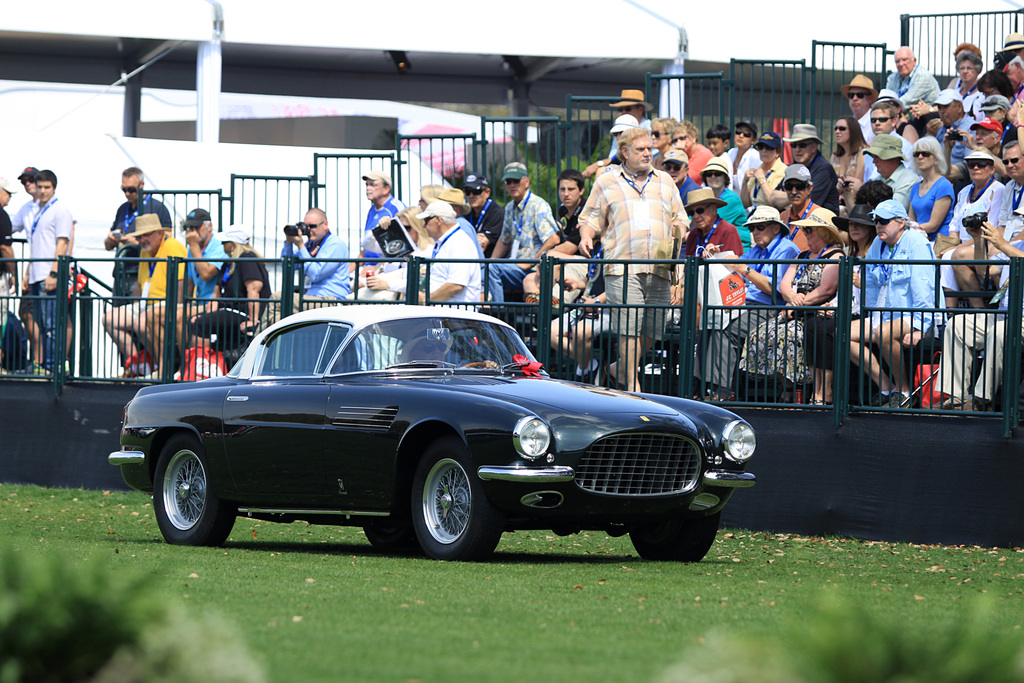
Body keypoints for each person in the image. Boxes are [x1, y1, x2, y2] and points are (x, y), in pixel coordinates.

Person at [577, 126, 686, 392]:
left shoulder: (665, 180)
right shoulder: (606, 180)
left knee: (652, 331)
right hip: (623, 268)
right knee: (628, 328)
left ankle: (617, 369)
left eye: (650, 148)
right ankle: (633, 387)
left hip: (660, 267)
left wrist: (678, 232)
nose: (648, 153)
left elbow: (681, 217)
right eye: (641, 149)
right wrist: (585, 236)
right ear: (624, 152)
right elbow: (588, 217)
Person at [739, 208, 844, 404]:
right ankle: (785, 387)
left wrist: (799, 303)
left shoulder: (835, 256)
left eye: (810, 230)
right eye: (805, 230)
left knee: (790, 337)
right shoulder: (801, 256)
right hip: (793, 310)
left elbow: (826, 289)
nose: (806, 234)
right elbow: (784, 284)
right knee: (763, 333)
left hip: (816, 312)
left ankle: (798, 391)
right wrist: (792, 297)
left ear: (824, 232)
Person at [696, 205, 800, 401]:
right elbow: (736, 264)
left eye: (760, 227)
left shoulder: (787, 249)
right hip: (744, 304)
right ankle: (698, 387)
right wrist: (717, 254)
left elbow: (772, 290)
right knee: (709, 320)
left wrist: (744, 269)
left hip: (769, 307)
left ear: (775, 228)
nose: (754, 232)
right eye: (752, 228)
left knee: (726, 328)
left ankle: (725, 392)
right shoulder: (756, 250)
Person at [850, 199, 936, 408]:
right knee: (844, 332)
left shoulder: (916, 242)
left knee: (884, 332)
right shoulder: (878, 245)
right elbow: (870, 284)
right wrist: (870, 314)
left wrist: (920, 327)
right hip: (884, 314)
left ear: (900, 222)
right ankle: (886, 387)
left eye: (884, 220)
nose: (878, 225)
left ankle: (905, 391)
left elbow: (923, 288)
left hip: (914, 315)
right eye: (876, 220)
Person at [936, 219, 1024, 410]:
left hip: (1021, 320)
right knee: (958, 324)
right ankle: (955, 397)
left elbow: (1019, 257)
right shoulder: (1015, 246)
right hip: (1005, 315)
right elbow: (985, 270)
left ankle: (981, 399)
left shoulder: (1011, 248)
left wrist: (1003, 245)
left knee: (1001, 330)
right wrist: (977, 240)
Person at [807, 204, 878, 405]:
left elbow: (879, 292)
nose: (854, 228)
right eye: (851, 224)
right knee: (813, 323)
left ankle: (827, 391)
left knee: (828, 328)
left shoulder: (876, 253)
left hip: (866, 311)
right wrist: (832, 305)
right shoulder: (849, 254)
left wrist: (860, 284)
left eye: (859, 225)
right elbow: (844, 292)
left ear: (870, 228)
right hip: (847, 308)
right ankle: (817, 388)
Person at [101, 214, 186, 376]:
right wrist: (136, 304)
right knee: (110, 319)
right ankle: (138, 365)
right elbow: (141, 284)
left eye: (147, 235)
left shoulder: (173, 247)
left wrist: (177, 308)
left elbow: (182, 282)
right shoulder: (145, 251)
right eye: (140, 236)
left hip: (166, 303)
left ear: (160, 233)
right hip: (146, 304)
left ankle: (163, 367)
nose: (143, 239)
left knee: (142, 322)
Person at [146, 208, 226, 376]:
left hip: (214, 305)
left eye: (196, 227)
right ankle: (163, 368)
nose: (192, 232)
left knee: (180, 317)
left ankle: (187, 367)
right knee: (152, 315)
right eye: (190, 228)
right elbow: (189, 283)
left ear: (209, 226)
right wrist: (181, 304)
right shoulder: (192, 249)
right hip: (198, 303)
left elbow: (206, 273)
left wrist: (194, 246)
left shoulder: (217, 246)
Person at [10, 170, 72, 374]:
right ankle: (44, 366)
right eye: (41, 187)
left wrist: (54, 273)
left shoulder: (60, 210)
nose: (43, 191)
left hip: (49, 274)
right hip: (37, 274)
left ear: (54, 188)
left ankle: (53, 367)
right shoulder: (35, 209)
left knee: (52, 324)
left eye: (47, 187)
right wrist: (28, 274)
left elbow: (62, 243)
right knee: (41, 323)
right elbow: (34, 243)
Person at [187, 225, 271, 356]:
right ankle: (205, 363)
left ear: (233, 245)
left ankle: (200, 365)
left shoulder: (247, 258)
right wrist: (207, 315)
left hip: (243, 313)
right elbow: (216, 294)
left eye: (224, 243)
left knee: (199, 324)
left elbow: (253, 289)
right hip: (228, 310)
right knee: (198, 320)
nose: (221, 245)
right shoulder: (228, 263)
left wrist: (253, 320)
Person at [489, 162, 560, 301]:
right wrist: (488, 262)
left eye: (516, 181)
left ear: (526, 182)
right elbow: (504, 240)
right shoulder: (510, 207)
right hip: (515, 266)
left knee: (492, 270)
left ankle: (497, 312)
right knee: (486, 269)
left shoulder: (538, 205)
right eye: (508, 182)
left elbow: (553, 239)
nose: (512, 185)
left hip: (534, 269)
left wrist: (531, 262)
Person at [523, 169, 591, 306]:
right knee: (529, 280)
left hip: (586, 261)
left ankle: (548, 305)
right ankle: (537, 317)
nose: (566, 194)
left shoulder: (586, 211)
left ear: (581, 190)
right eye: (562, 189)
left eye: (571, 189)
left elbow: (571, 248)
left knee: (549, 256)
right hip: (566, 260)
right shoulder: (563, 210)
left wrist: (542, 256)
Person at [102, 167, 172, 302]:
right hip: (121, 272)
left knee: (136, 316)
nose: (127, 193)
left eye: (132, 190)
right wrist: (111, 240)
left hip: (142, 273)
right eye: (124, 189)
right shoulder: (123, 209)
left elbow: (167, 241)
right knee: (118, 316)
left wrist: (135, 242)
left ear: (142, 185)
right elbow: (107, 246)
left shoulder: (157, 208)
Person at [277, 207, 351, 318]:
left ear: (325, 224)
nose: (308, 230)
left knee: (277, 299)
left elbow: (315, 274)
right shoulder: (310, 245)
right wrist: (289, 242)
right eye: (306, 226)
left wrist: (301, 246)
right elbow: (286, 264)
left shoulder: (335, 244)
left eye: (312, 226)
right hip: (312, 298)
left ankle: (260, 335)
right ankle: (276, 336)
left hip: (329, 300)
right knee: (280, 315)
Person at [361, 206, 433, 301]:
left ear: (418, 228)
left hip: (410, 304)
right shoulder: (394, 245)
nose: (403, 232)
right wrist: (378, 229)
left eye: (407, 228)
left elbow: (418, 282)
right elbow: (366, 244)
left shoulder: (428, 251)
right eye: (400, 227)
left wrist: (387, 284)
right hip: (388, 301)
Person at [416, 201, 482, 304]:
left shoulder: (459, 243)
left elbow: (455, 285)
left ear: (438, 219)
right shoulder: (447, 241)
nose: (424, 226)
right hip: (444, 310)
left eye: (426, 220)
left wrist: (425, 300)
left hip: (455, 314)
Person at [907, 136, 955, 242]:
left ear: (936, 159)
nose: (920, 157)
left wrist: (906, 231)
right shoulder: (915, 187)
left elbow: (934, 225)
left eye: (925, 154)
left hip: (938, 242)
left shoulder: (943, 185)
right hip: (918, 238)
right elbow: (911, 221)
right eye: (916, 154)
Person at [784, 124, 840, 213]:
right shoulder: (795, 166)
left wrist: (785, 197)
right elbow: (772, 197)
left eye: (802, 145)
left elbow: (808, 202)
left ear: (814, 147)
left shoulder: (824, 169)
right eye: (793, 145)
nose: (797, 149)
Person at [862, 133, 919, 211]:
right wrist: (848, 194)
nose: (874, 161)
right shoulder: (879, 179)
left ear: (892, 157)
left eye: (877, 156)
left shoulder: (909, 181)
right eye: (873, 157)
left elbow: (891, 212)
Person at [700, 158, 749, 248]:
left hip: (736, 247)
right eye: (709, 174)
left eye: (717, 174)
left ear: (725, 178)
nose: (713, 177)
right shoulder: (706, 197)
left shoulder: (732, 199)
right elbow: (693, 220)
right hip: (715, 245)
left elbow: (709, 223)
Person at [361, 171, 404, 260]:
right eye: (367, 185)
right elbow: (367, 247)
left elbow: (402, 247)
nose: (368, 188)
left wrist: (379, 268)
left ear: (386, 189)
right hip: (368, 266)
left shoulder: (396, 207)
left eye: (373, 185)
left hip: (385, 267)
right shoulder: (372, 210)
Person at [740, 131, 787, 210]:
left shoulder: (783, 171)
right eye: (761, 147)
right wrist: (744, 182)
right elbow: (745, 204)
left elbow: (772, 202)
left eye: (769, 147)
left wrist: (762, 179)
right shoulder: (758, 169)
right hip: (756, 213)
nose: (764, 151)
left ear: (778, 152)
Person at [581, 114, 639, 178]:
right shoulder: (621, 155)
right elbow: (613, 159)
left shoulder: (645, 155)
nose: (618, 137)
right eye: (616, 134)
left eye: (622, 132)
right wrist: (597, 165)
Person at [463, 174, 504, 258]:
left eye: (476, 191)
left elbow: (481, 246)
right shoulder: (466, 213)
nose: (471, 195)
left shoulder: (497, 213)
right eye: (467, 191)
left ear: (487, 193)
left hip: (489, 264)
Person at [934, 90, 976, 169]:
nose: (942, 111)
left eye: (946, 107)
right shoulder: (941, 128)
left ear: (959, 107)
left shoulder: (971, 128)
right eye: (939, 108)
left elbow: (970, 163)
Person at [996, 140, 1024, 240]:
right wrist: (994, 246)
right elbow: (1002, 225)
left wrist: (1006, 247)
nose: (1010, 165)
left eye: (1014, 160)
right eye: (1005, 162)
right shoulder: (1008, 186)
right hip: (1007, 244)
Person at [725, 120, 761, 194]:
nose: (741, 136)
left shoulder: (756, 156)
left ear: (753, 140)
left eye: (746, 134)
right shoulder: (731, 152)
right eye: (738, 131)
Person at [832, 116, 869, 187]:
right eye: (835, 128)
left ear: (853, 131)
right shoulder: (835, 156)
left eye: (842, 129)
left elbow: (857, 184)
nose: (837, 131)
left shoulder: (863, 154)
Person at [841, 74, 878, 143]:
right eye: (851, 95)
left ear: (870, 99)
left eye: (860, 95)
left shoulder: (876, 122)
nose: (855, 98)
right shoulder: (847, 124)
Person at [953, 51, 986, 121]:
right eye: (962, 68)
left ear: (978, 71)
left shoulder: (982, 95)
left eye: (969, 68)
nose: (965, 71)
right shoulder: (954, 93)